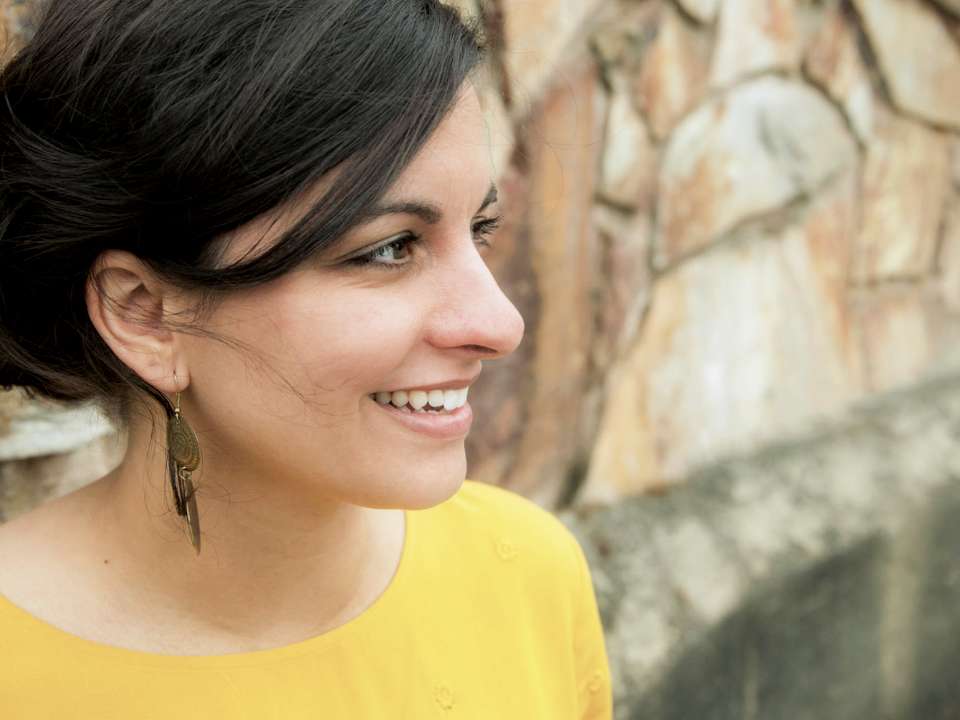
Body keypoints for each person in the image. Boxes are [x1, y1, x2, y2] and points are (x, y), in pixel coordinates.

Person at [0, 0, 613, 717]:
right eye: (387, 248)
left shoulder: (528, 574)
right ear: (146, 315)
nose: (500, 324)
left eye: (479, 228)